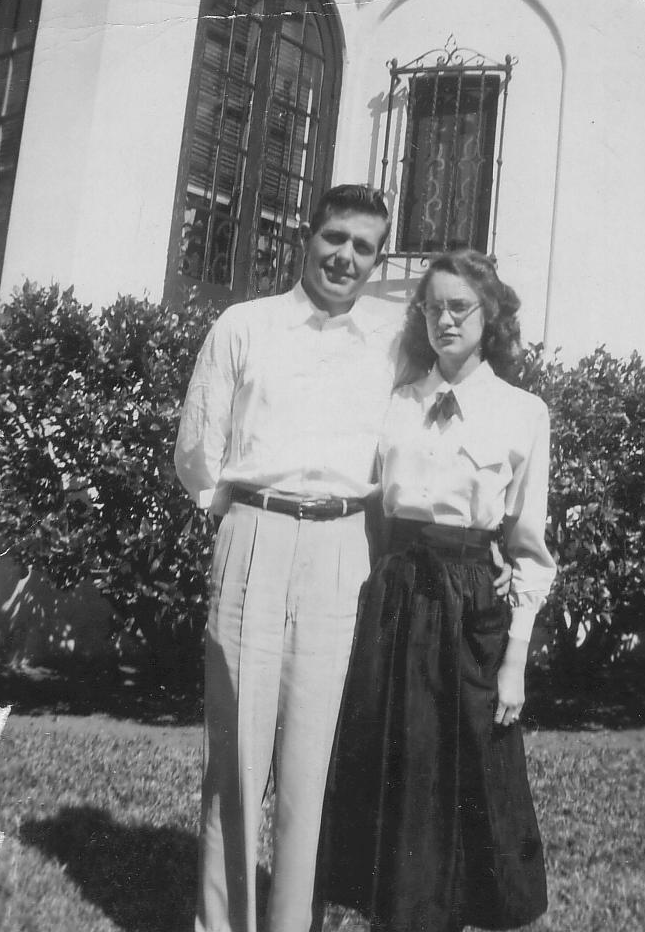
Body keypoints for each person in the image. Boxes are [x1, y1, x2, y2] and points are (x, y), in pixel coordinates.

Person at [175, 186, 512, 932]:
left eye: (364, 247)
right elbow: (197, 454)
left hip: (343, 551)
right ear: (307, 234)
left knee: (314, 764)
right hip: (255, 538)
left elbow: (460, 373)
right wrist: (241, 519)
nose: (345, 257)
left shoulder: (393, 338)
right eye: (335, 238)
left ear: (377, 256)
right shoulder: (245, 326)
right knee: (235, 759)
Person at [318, 249, 557, 932]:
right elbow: (367, 506)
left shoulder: (522, 412)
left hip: (470, 602)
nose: (445, 319)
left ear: (490, 317)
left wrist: (514, 660)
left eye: (460, 307)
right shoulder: (397, 401)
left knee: (469, 775)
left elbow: (529, 548)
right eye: (433, 306)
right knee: (397, 767)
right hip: (396, 597)